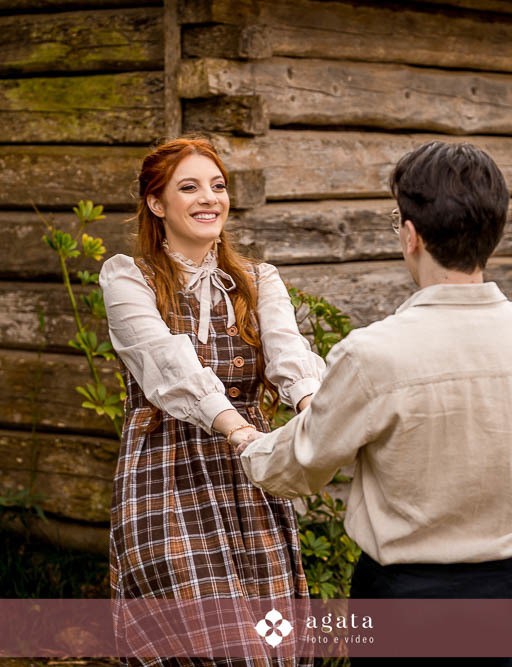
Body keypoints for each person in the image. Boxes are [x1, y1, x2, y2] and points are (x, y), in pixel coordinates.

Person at [237, 141, 512, 666]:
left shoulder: (373, 355)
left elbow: (303, 462)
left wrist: (244, 441)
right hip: (511, 592)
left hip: (405, 599)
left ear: (410, 235)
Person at [100, 137, 324, 666]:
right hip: (165, 472)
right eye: (190, 187)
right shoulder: (129, 278)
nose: (209, 199)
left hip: (250, 478)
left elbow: (288, 353)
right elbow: (166, 362)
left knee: (268, 638)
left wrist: (316, 411)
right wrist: (238, 429)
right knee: (206, 638)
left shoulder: (257, 280)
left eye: (218, 186)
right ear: (157, 204)